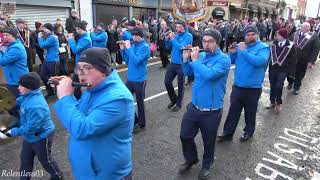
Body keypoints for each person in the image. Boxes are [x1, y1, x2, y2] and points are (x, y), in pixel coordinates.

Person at [53, 48, 134, 179]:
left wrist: (65, 98)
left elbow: (82, 129)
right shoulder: (93, 87)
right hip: (88, 171)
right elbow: (78, 115)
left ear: (103, 71)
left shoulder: (118, 98)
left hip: (106, 175)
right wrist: (70, 95)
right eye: (78, 68)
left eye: (87, 68)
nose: (80, 73)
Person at [179, 29, 230, 179]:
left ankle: (207, 164)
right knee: (185, 135)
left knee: (209, 142)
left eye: (210, 41)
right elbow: (188, 72)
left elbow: (209, 75)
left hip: (212, 111)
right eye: (204, 41)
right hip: (195, 107)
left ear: (217, 42)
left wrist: (195, 61)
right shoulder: (200, 55)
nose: (206, 44)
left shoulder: (224, 60)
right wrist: (185, 59)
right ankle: (191, 159)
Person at [0, 72, 64, 180]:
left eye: (21, 86)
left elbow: (30, 128)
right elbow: (21, 101)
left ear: (29, 88)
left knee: (45, 160)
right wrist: (12, 107)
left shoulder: (36, 106)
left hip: (42, 136)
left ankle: (57, 176)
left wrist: (13, 132)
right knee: (25, 159)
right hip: (30, 136)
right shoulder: (28, 95)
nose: (18, 87)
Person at [217, 25, 270, 142]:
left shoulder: (263, 48)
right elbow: (231, 61)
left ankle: (248, 132)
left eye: (253, 34)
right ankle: (228, 132)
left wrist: (244, 51)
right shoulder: (242, 46)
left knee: (250, 112)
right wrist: (232, 52)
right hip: (238, 85)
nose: (250, 37)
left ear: (257, 35)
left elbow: (260, 62)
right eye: (248, 35)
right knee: (233, 111)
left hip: (253, 87)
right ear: (245, 36)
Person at [120, 27, 150, 134]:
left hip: (140, 79)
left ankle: (142, 124)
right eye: (132, 35)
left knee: (140, 103)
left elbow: (137, 61)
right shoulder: (132, 45)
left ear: (140, 36)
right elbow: (127, 60)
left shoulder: (145, 47)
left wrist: (128, 49)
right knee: (126, 100)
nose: (132, 37)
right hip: (130, 78)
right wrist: (123, 49)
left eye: (134, 35)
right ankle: (135, 120)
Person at [164, 19, 193, 112]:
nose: (178, 29)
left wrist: (173, 39)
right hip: (173, 63)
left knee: (180, 85)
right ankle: (174, 99)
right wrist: (167, 39)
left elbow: (181, 48)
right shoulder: (176, 35)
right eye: (176, 27)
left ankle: (179, 104)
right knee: (167, 82)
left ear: (184, 27)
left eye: (180, 27)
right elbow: (168, 47)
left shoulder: (188, 36)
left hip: (182, 64)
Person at [266, 28, 296, 113]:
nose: (277, 36)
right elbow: (268, 56)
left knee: (279, 86)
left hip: (283, 69)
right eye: (277, 35)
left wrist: (291, 73)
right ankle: (272, 102)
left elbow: (293, 60)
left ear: (283, 36)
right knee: (272, 85)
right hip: (273, 68)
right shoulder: (273, 43)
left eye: (278, 35)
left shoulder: (290, 45)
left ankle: (278, 102)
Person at [287, 22, 320, 95]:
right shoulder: (295, 34)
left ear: (308, 28)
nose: (303, 28)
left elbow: (316, 49)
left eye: (306, 27)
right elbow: (289, 43)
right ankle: (290, 82)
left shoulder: (314, 36)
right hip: (293, 59)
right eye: (303, 26)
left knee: (300, 74)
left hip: (304, 60)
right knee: (290, 72)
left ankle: (296, 87)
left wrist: (311, 61)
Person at [0, 28, 28, 98]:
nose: (5, 37)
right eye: (4, 35)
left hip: (17, 80)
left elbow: (3, 61)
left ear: (14, 36)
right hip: (13, 79)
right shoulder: (11, 45)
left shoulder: (16, 48)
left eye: (7, 35)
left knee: (19, 100)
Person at [38, 23, 60, 98]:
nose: (42, 30)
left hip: (53, 60)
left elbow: (42, 45)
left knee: (54, 77)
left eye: (44, 29)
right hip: (47, 60)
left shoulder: (53, 37)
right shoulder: (48, 36)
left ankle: (58, 92)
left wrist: (39, 38)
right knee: (43, 75)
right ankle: (50, 91)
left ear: (48, 29)